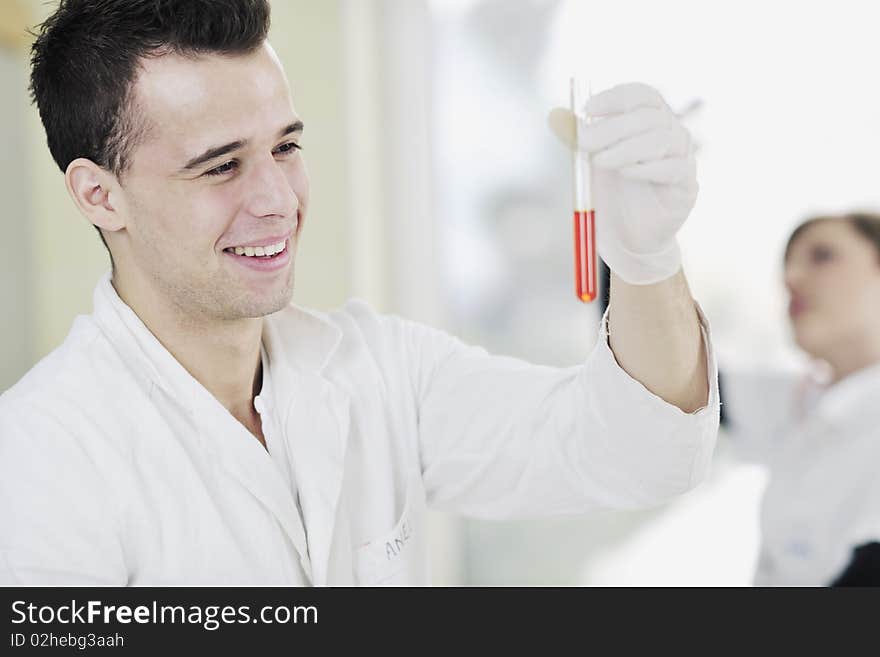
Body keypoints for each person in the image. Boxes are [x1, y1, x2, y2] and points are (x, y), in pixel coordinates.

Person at [0, 0, 718, 585]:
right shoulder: (40, 459)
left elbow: (639, 451)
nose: (277, 200)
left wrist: (644, 256)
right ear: (100, 194)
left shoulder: (377, 369)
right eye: (220, 167)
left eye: (284, 147)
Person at [721, 212, 880, 586]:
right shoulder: (800, 401)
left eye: (822, 256)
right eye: (787, 265)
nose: (791, 278)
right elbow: (658, 371)